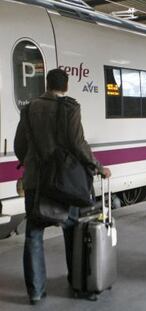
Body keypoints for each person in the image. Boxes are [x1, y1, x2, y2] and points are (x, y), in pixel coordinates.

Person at [14, 69, 111, 305]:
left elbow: (20, 145)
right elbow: (78, 143)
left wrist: (31, 164)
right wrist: (98, 167)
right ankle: (76, 283)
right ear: (66, 86)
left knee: (34, 236)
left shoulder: (28, 109)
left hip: (36, 182)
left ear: (46, 84)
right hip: (64, 183)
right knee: (73, 233)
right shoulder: (70, 107)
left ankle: (36, 292)